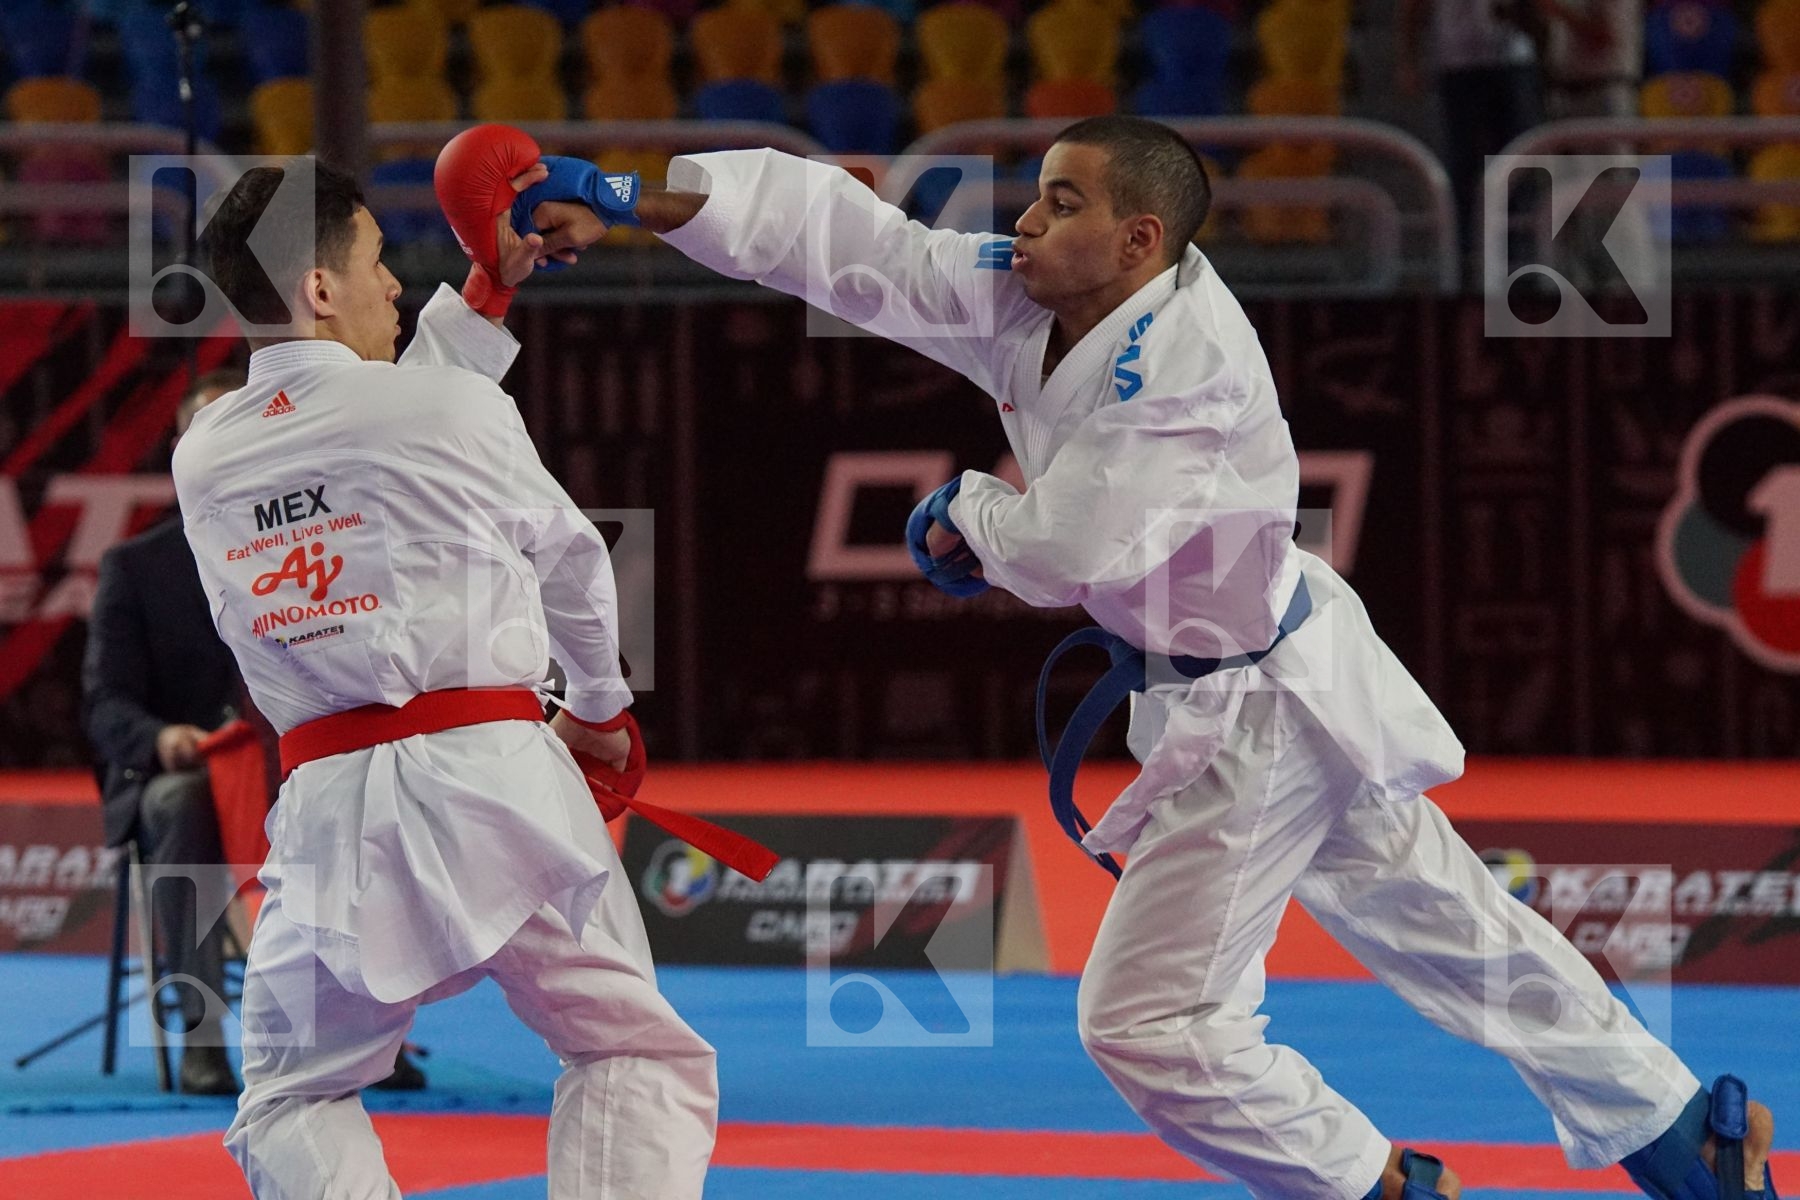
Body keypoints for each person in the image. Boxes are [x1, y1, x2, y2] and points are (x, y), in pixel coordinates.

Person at [528, 116, 1777, 1200]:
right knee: (1453, 929)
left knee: (1147, 1023)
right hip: (1270, 670)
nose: (1026, 218)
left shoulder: (1179, 361)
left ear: (1141, 242)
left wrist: (967, 514)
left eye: (1064, 202)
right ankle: (1685, 1132)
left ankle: (1373, 1182)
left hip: (1254, 717)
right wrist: (633, 200)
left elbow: (1078, 540)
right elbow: (850, 245)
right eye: (1034, 191)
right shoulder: (1039, 290)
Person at [174, 156, 716, 1198]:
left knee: (291, 1097)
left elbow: (381, 417)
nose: (392, 285)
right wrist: (602, 711)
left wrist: (488, 291)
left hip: (332, 812)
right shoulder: (442, 414)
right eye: (378, 262)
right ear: (321, 289)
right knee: (628, 1051)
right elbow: (572, 560)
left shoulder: (203, 454)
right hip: (495, 786)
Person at [84, 368, 248, 1095]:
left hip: (286, 768)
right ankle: (203, 1035)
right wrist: (162, 738)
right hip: (179, 778)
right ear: (181, 452)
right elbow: (103, 702)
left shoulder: (310, 552)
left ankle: (369, 1031)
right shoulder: (136, 567)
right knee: (183, 801)